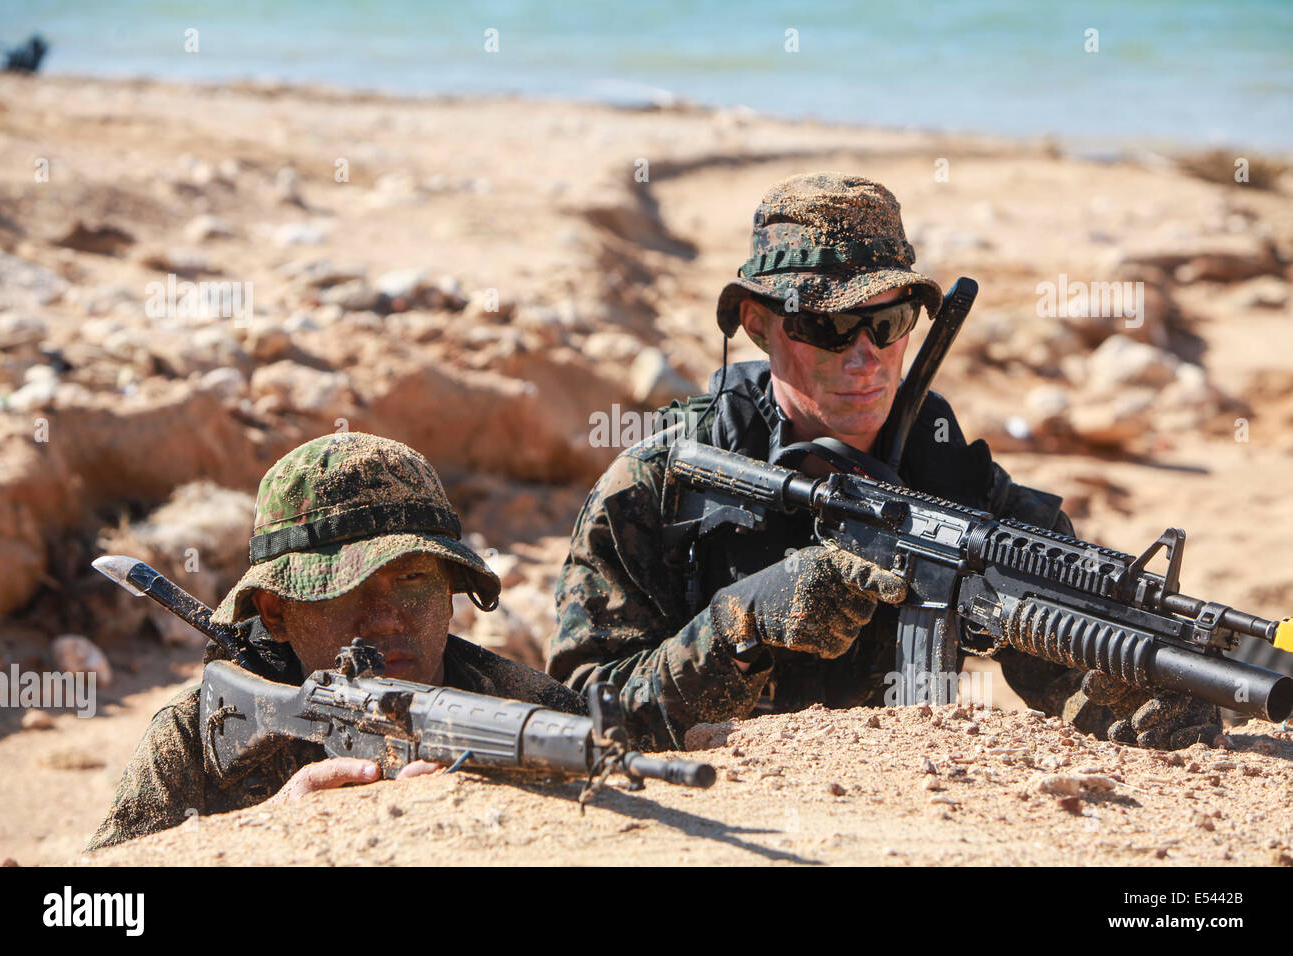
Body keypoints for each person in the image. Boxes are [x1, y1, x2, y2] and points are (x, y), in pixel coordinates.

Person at [549, 173, 1219, 753]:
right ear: (757, 324)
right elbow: (583, 713)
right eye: (829, 327)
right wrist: (738, 629)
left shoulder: (955, 480)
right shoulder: (666, 481)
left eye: (889, 322)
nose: (864, 356)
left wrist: (1142, 691)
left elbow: (1072, 668)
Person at [87, 431, 583, 850]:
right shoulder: (198, 733)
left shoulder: (539, 714)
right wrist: (268, 833)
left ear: (450, 591)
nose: (385, 620)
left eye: (411, 580)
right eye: (341, 589)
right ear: (275, 611)